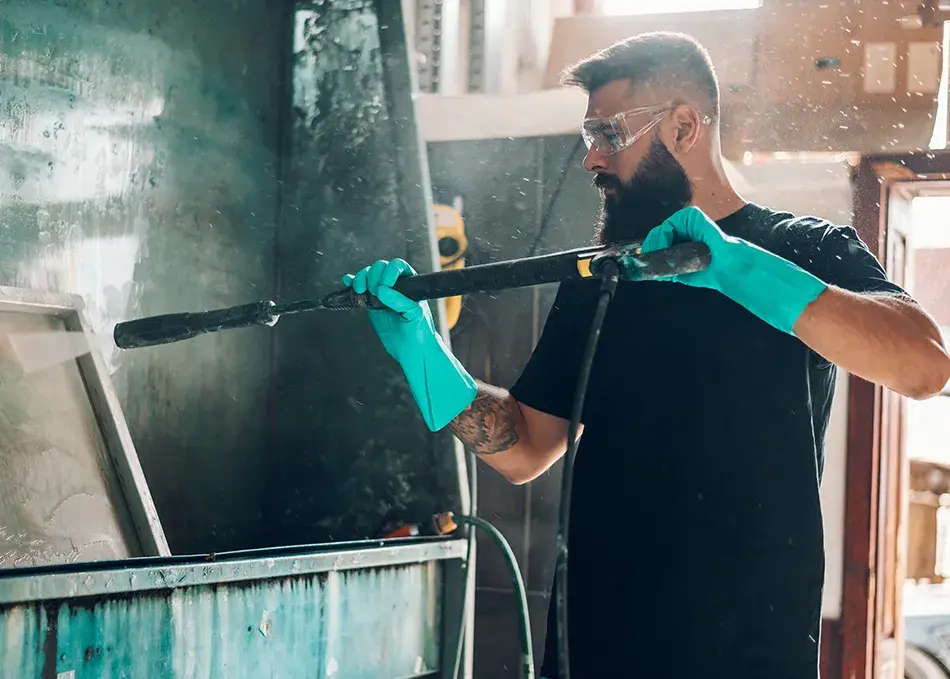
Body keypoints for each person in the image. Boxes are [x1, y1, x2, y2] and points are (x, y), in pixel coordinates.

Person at [344, 32, 950, 678]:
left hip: (743, 659)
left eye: (609, 133)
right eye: (589, 137)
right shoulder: (604, 280)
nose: (592, 160)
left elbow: (924, 363)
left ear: (685, 125)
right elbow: (524, 445)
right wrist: (423, 354)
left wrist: (738, 269)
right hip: (595, 651)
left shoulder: (799, 248)